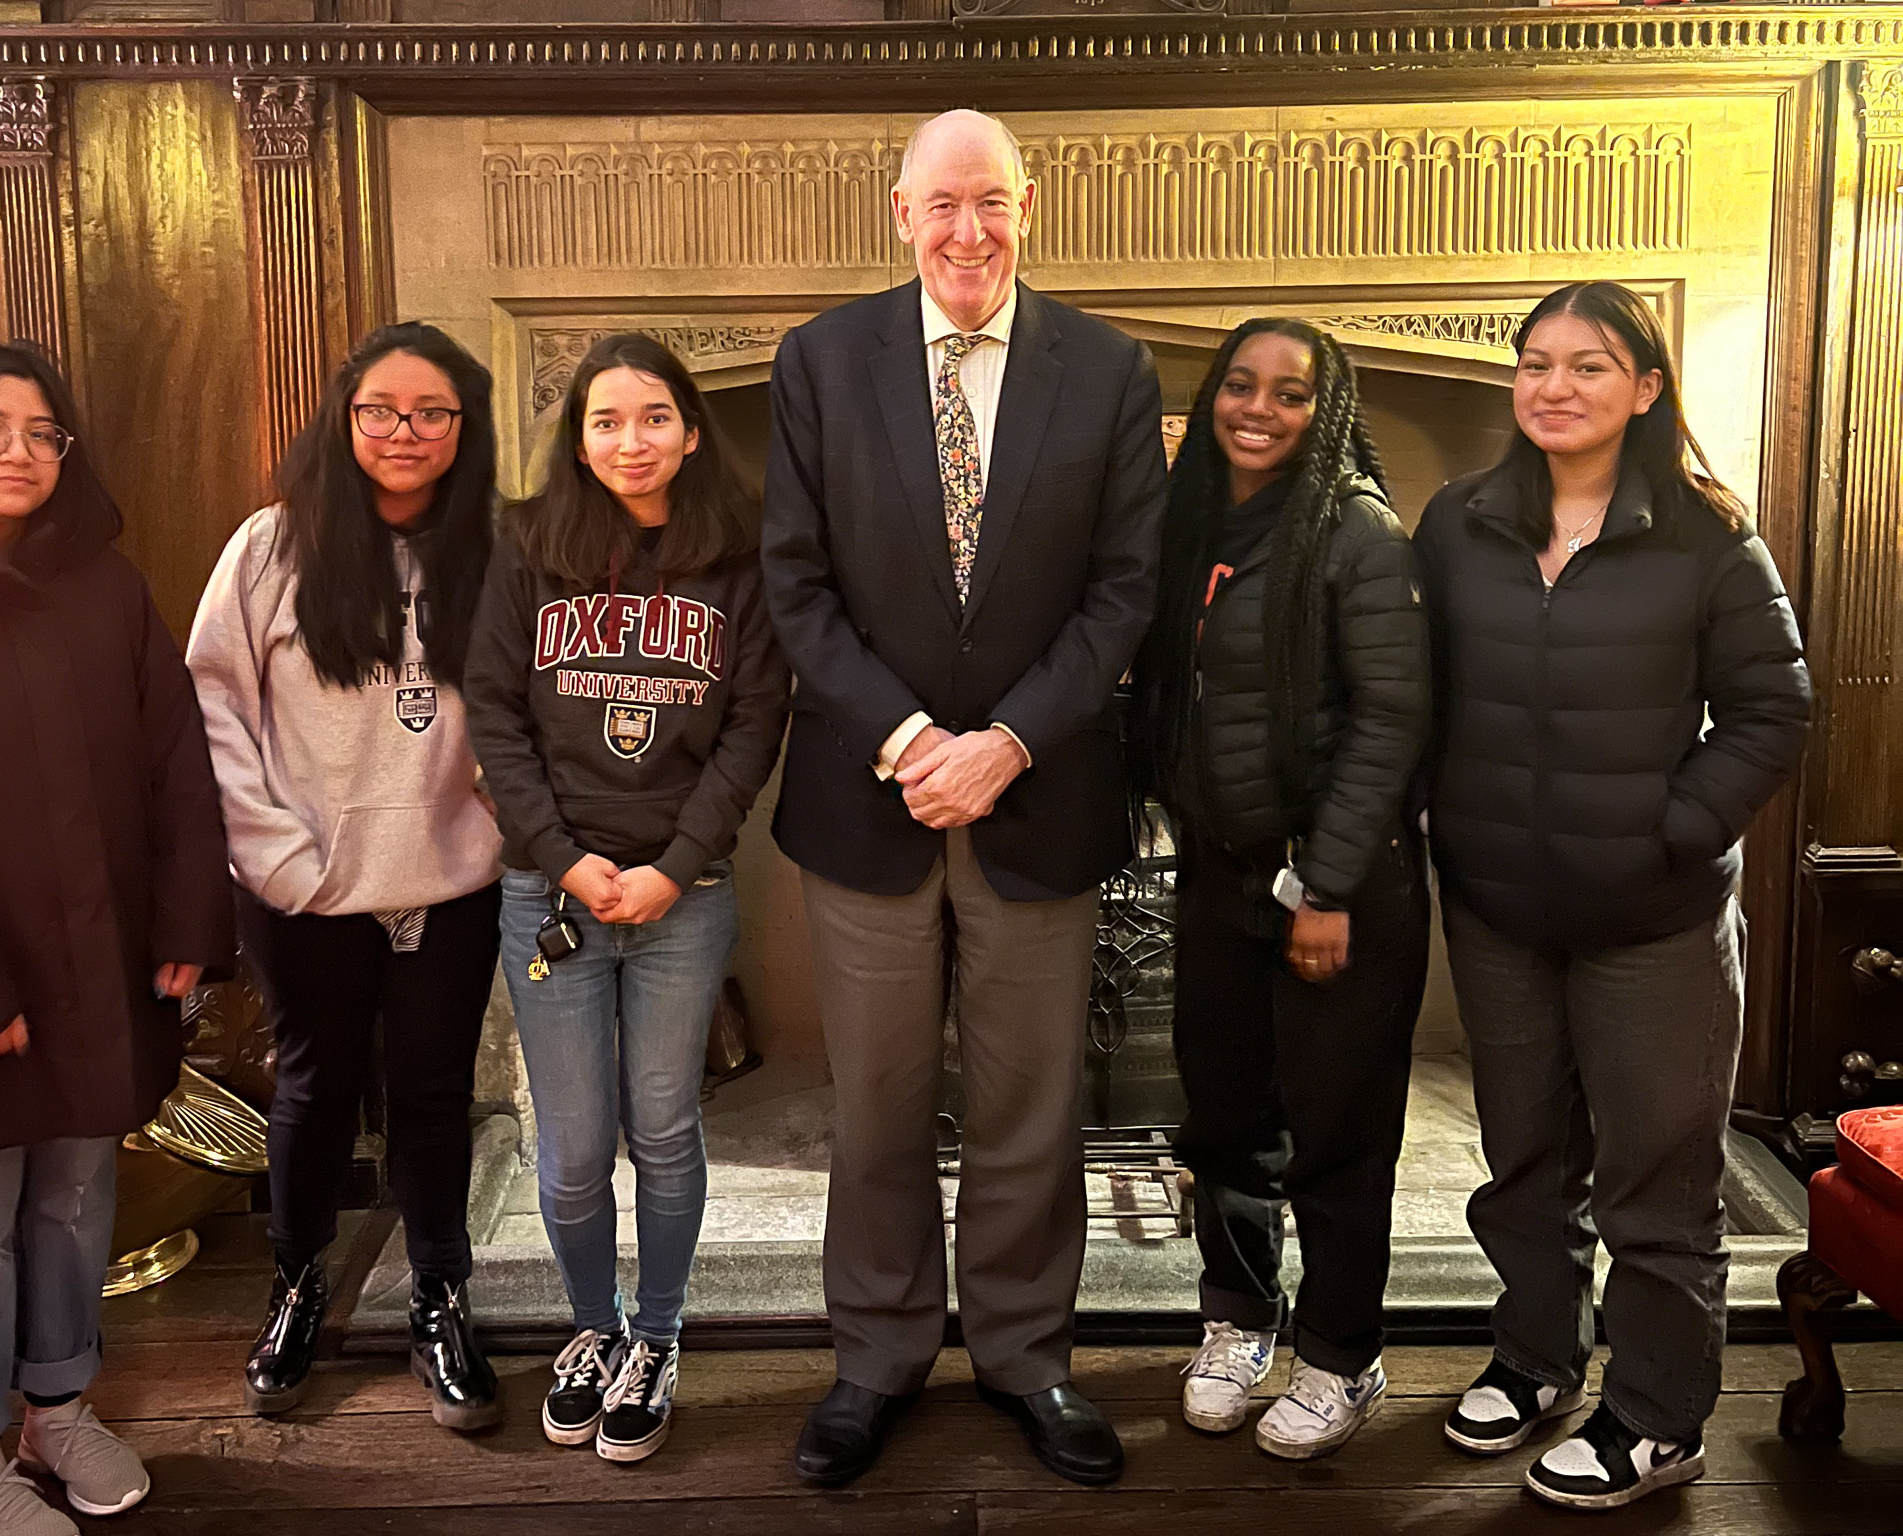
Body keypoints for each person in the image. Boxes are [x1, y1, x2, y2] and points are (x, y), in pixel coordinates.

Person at [762, 108, 1166, 1488]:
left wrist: (1009, 743)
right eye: (942, 205)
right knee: (875, 1104)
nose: (967, 232)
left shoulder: (1108, 370)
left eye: (989, 202)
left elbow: (1125, 591)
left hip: (1036, 800)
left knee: (1029, 1105)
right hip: (868, 802)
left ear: (1029, 205)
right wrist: (911, 738)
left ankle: (1025, 1354)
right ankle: (875, 1357)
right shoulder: (820, 362)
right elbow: (795, 585)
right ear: (899, 212)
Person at [1413, 281, 1811, 1511]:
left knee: (1654, 1177)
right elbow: (1405, 687)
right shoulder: (1453, 523)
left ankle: (1656, 1419)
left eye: (1587, 365)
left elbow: (1770, 708)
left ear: (1644, 388)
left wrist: (1670, 834)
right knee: (1523, 1160)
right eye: (1533, 362)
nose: (1551, 386)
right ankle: (1535, 1360)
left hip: (1656, 922)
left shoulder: (1705, 536)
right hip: (1497, 910)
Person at [0, 342, 235, 1536]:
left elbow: (175, 755)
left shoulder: (104, 587)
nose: (18, 452)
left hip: (98, 965)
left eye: (41, 432)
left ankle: (57, 1408)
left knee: (76, 1203)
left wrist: (185, 920)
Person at [465, 332, 789, 1463]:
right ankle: (592, 1329)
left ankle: (655, 1335)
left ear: (690, 430)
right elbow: (493, 714)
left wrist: (673, 863)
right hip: (547, 894)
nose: (629, 441)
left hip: (681, 896)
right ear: (579, 434)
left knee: (662, 1130)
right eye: (605, 420)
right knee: (568, 1147)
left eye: (652, 417)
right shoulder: (524, 545)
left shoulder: (735, 558)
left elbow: (755, 722)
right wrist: (561, 859)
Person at [186, 322, 507, 1432]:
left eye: (431, 413)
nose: (404, 431)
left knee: (431, 1096)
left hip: (449, 879)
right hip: (299, 880)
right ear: (344, 417)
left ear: (464, 430)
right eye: (381, 409)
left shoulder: (494, 553)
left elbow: (522, 709)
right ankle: (298, 1284)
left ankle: (438, 1295)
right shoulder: (270, 548)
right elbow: (213, 703)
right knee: (316, 1089)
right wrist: (270, 851)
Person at [1130, 320, 1431, 1460]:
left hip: (1337, 889)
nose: (1258, 408)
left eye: (1290, 393)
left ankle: (1343, 1355)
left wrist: (1325, 884)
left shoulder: (1354, 530)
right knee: (1226, 1119)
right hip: (1218, 875)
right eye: (1239, 386)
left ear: (1326, 409)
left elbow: (1390, 720)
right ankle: (1236, 1319)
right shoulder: (1194, 525)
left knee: (1338, 1134)